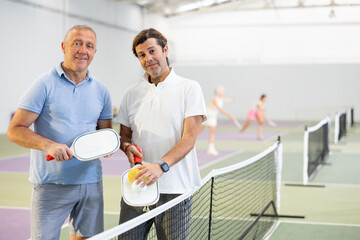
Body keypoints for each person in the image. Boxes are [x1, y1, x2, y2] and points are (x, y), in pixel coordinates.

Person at [7, 25, 113, 240]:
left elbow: (105, 133)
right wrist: (48, 145)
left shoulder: (101, 90)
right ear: (63, 47)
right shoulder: (43, 85)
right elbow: (14, 130)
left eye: (89, 45)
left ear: (94, 52)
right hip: (51, 185)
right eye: (77, 43)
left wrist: (110, 145)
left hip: (90, 182)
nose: (83, 49)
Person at [117, 28, 207, 239]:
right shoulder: (131, 94)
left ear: (165, 50)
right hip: (137, 186)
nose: (148, 58)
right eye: (142, 55)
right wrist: (127, 146)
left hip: (176, 190)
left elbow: (189, 139)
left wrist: (161, 166)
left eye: (152, 51)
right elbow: (125, 136)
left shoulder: (190, 88)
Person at [200, 86, 237, 156]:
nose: (224, 92)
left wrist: (233, 99)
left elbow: (227, 100)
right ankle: (189, 146)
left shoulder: (221, 99)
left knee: (212, 132)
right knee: (198, 131)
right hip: (208, 115)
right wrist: (229, 115)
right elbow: (219, 109)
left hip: (213, 116)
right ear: (219, 92)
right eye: (222, 91)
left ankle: (211, 149)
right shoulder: (214, 99)